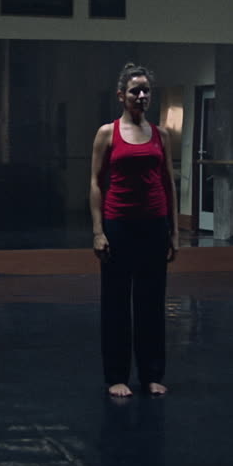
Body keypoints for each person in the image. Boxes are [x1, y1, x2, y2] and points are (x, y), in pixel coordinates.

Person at [90, 62, 180, 398]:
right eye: (134, 91)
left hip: (154, 226)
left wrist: (173, 232)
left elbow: (168, 182)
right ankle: (116, 376)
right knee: (115, 303)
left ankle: (152, 374)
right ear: (121, 95)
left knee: (151, 303)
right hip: (118, 226)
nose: (141, 96)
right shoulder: (106, 133)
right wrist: (98, 231)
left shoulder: (161, 135)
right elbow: (96, 183)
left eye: (145, 91)